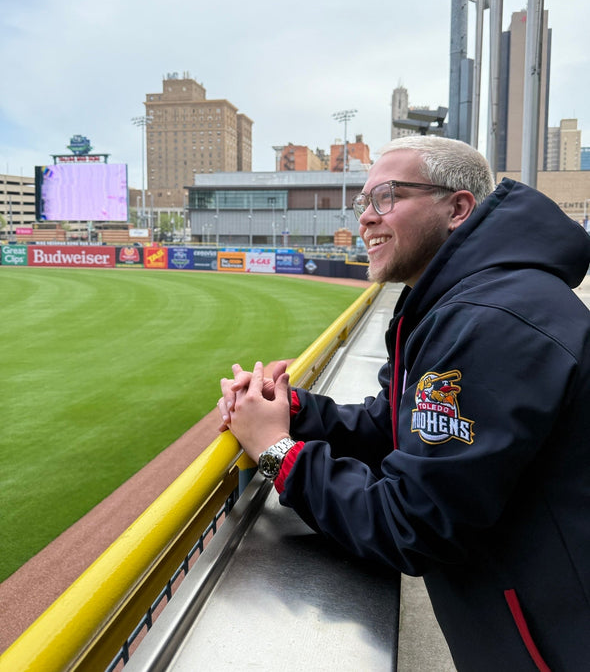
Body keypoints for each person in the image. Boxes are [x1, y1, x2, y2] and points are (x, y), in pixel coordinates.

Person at [218, 135, 590, 671]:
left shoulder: (492, 319)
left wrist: (276, 449)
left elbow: (413, 524)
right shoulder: (461, 302)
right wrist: (291, 410)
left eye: (386, 197)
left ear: (457, 208)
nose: (366, 218)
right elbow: (392, 423)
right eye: (363, 202)